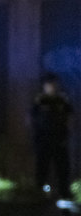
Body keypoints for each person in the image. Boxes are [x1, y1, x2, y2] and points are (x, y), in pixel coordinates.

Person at [30, 72, 73, 200]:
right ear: (44, 86)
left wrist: (67, 133)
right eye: (49, 85)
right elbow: (32, 117)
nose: (52, 87)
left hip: (60, 139)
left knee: (62, 167)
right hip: (43, 139)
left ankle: (64, 192)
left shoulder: (63, 99)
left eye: (54, 84)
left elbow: (70, 116)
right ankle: (40, 191)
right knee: (42, 166)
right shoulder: (40, 100)